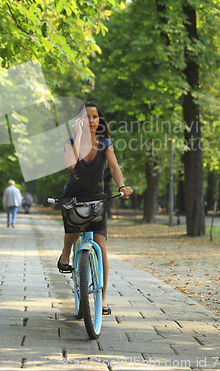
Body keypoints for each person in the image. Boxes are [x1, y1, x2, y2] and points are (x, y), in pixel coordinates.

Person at [57, 101, 132, 315]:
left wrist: (122, 186)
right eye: (86, 117)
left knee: (100, 245)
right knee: (74, 227)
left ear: (99, 120)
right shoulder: (70, 141)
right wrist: (79, 135)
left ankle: (104, 297)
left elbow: (114, 167)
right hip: (75, 195)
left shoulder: (105, 143)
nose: (91, 121)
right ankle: (65, 254)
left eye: (95, 117)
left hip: (97, 197)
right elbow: (71, 164)